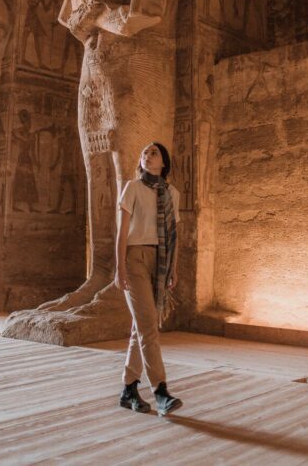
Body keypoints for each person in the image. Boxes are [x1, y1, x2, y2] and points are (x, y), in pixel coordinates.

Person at [114, 142, 183, 416]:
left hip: (160, 262)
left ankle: (128, 389)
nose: (146, 155)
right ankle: (161, 391)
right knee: (148, 328)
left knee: (141, 327)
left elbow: (174, 237)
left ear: (163, 163)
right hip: (134, 260)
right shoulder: (132, 188)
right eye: (143, 152)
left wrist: (173, 269)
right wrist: (119, 269)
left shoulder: (172, 194)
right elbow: (121, 233)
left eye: (153, 152)